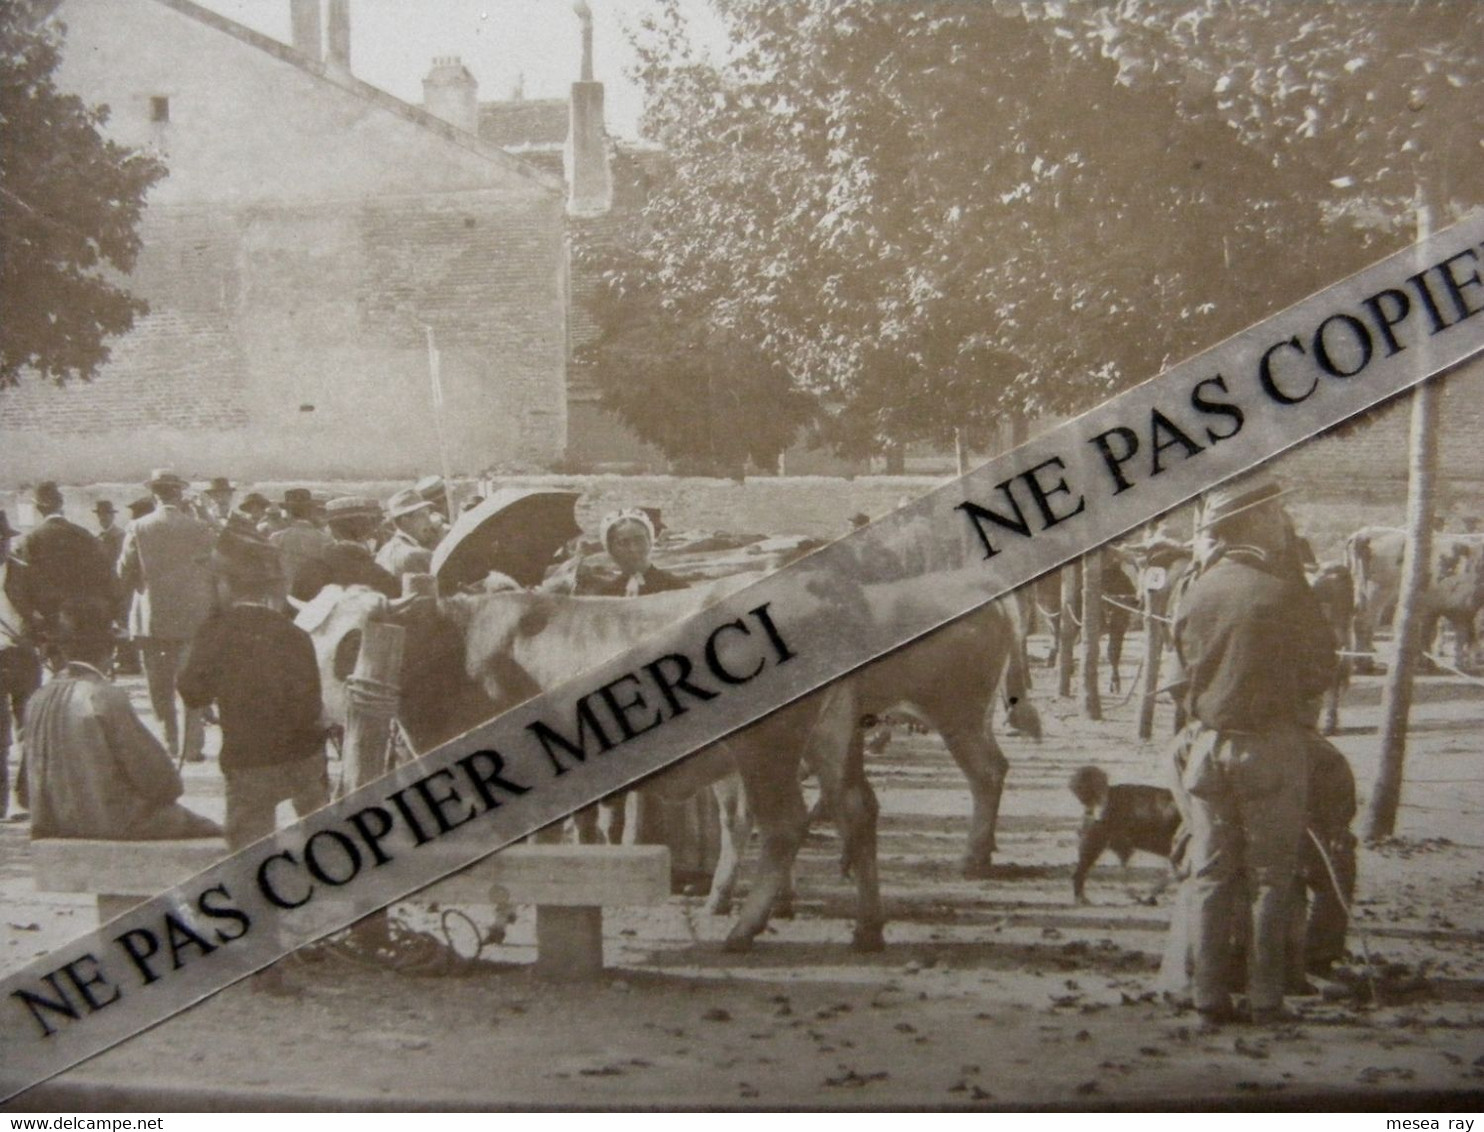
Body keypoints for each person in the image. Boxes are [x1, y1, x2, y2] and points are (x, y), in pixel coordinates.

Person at [1166, 470, 1338, 1025]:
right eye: (1277, 515)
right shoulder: (1286, 593)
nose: (1284, 525)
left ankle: (1208, 995)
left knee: (1211, 874)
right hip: (1270, 748)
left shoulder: (1195, 591)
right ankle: (1266, 997)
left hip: (1207, 749)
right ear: (1258, 520)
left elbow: (1181, 676)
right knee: (1272, 878)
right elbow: (1321, 670)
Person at [179, 520, 329, 850]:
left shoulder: (216, 632)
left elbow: (192, 691)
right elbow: (310, 703)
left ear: (224, 584)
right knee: (323, 839)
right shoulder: (294, 632)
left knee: (249, 857)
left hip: (249, 759)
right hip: (304, 758)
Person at [17, 599, 219, 841]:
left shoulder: (38, 699)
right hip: (116, 823)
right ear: (110, 651)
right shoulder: (105, 696)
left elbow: (24, 794)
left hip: (52, 823)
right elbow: (162, 782)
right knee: (215, 832)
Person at [118, 468, 217, 763]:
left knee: (158, 684)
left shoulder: (137, 527)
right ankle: (193, 745)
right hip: (191, 617)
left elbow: (124, 571)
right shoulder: (197, 528)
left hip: (151, 618)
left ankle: (169, 742)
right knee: (189, 680)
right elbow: (210, 567)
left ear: (154, 494)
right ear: (179, 493)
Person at [9, 482, 116, 664]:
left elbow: (24, 583)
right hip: (88, 616)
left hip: (53, 619)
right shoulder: (84, 535)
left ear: (38, 508)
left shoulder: (32, 540)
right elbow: (106, 574)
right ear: (61, 505)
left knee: (61, 670)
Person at [1, 511, 43, 820]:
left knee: (30, 728)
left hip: (23, 657)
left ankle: (23, 798)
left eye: (4, 540)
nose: (2, 545)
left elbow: (45, 612)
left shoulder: (26, 573)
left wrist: (40, 637)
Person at [292, 496, 398, 600]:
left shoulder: (311, 567)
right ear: (365, 527)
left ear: (332, 527)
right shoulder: (376, 569)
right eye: (367, 521)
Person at [584, 509, 686, 597]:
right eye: (623, 542)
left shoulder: (674, 587)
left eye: (639, 540)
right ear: (611, 550)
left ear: (650, 542)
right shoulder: (605, 594)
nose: (633, 549)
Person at [269, 487, 333, 597]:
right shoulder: (325, 538)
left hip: (286, 596)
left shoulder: (276, 538)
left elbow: (271, 571)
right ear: (309, 512)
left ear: (288, 513)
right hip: (316, 597)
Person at [375, 488, 442, 577]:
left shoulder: (383, 552)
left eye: (428, 514)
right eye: (422, 515)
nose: (429, 522)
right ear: (405, 520)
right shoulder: (418, 555)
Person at [92, 500, 126, 568]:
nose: (102, 517)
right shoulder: (98, 537)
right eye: (99, 514)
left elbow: (122, 561)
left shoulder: (120, 535)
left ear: (112, 516)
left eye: (105, 514)